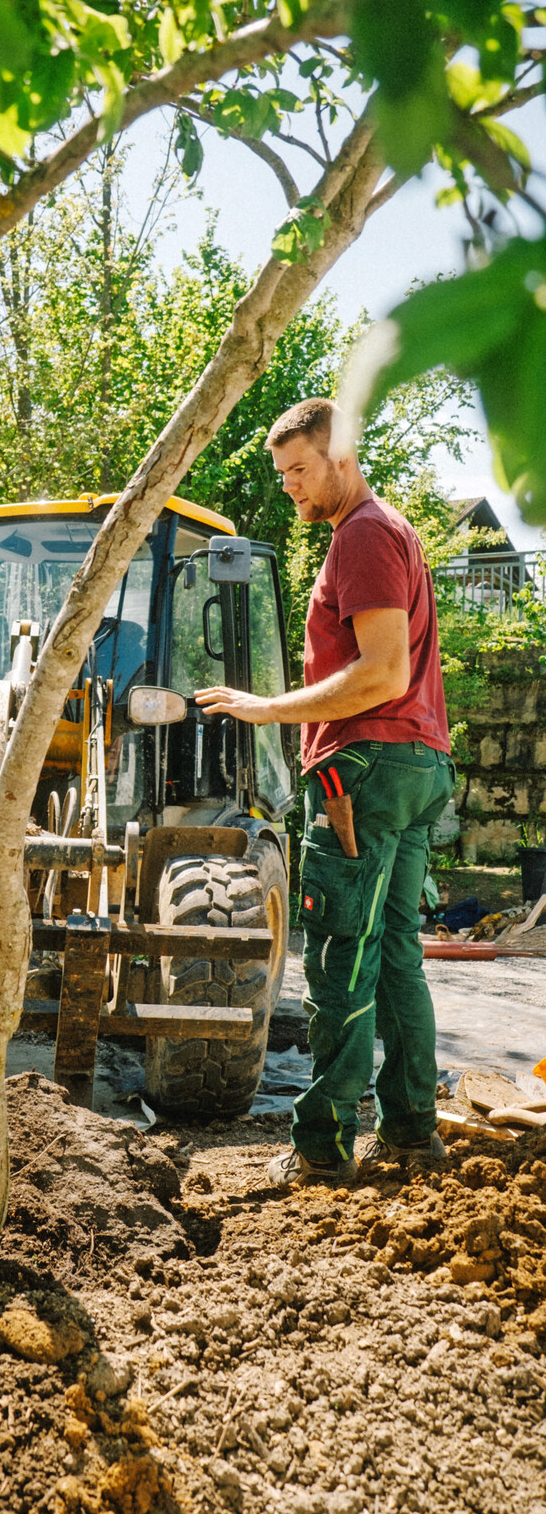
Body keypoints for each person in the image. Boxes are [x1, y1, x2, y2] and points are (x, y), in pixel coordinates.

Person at [196, 397, 455, 1186]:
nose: (290, 489)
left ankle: (322, 1147)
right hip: (414, 767)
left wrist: (269, 709)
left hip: (362, 771)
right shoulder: (392, 529)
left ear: (341, 455)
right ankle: (411, 1129)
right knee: (397, 955)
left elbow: (381, 672)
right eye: (282, 477)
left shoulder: (365, 535)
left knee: (342, 955)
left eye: (299, 471)